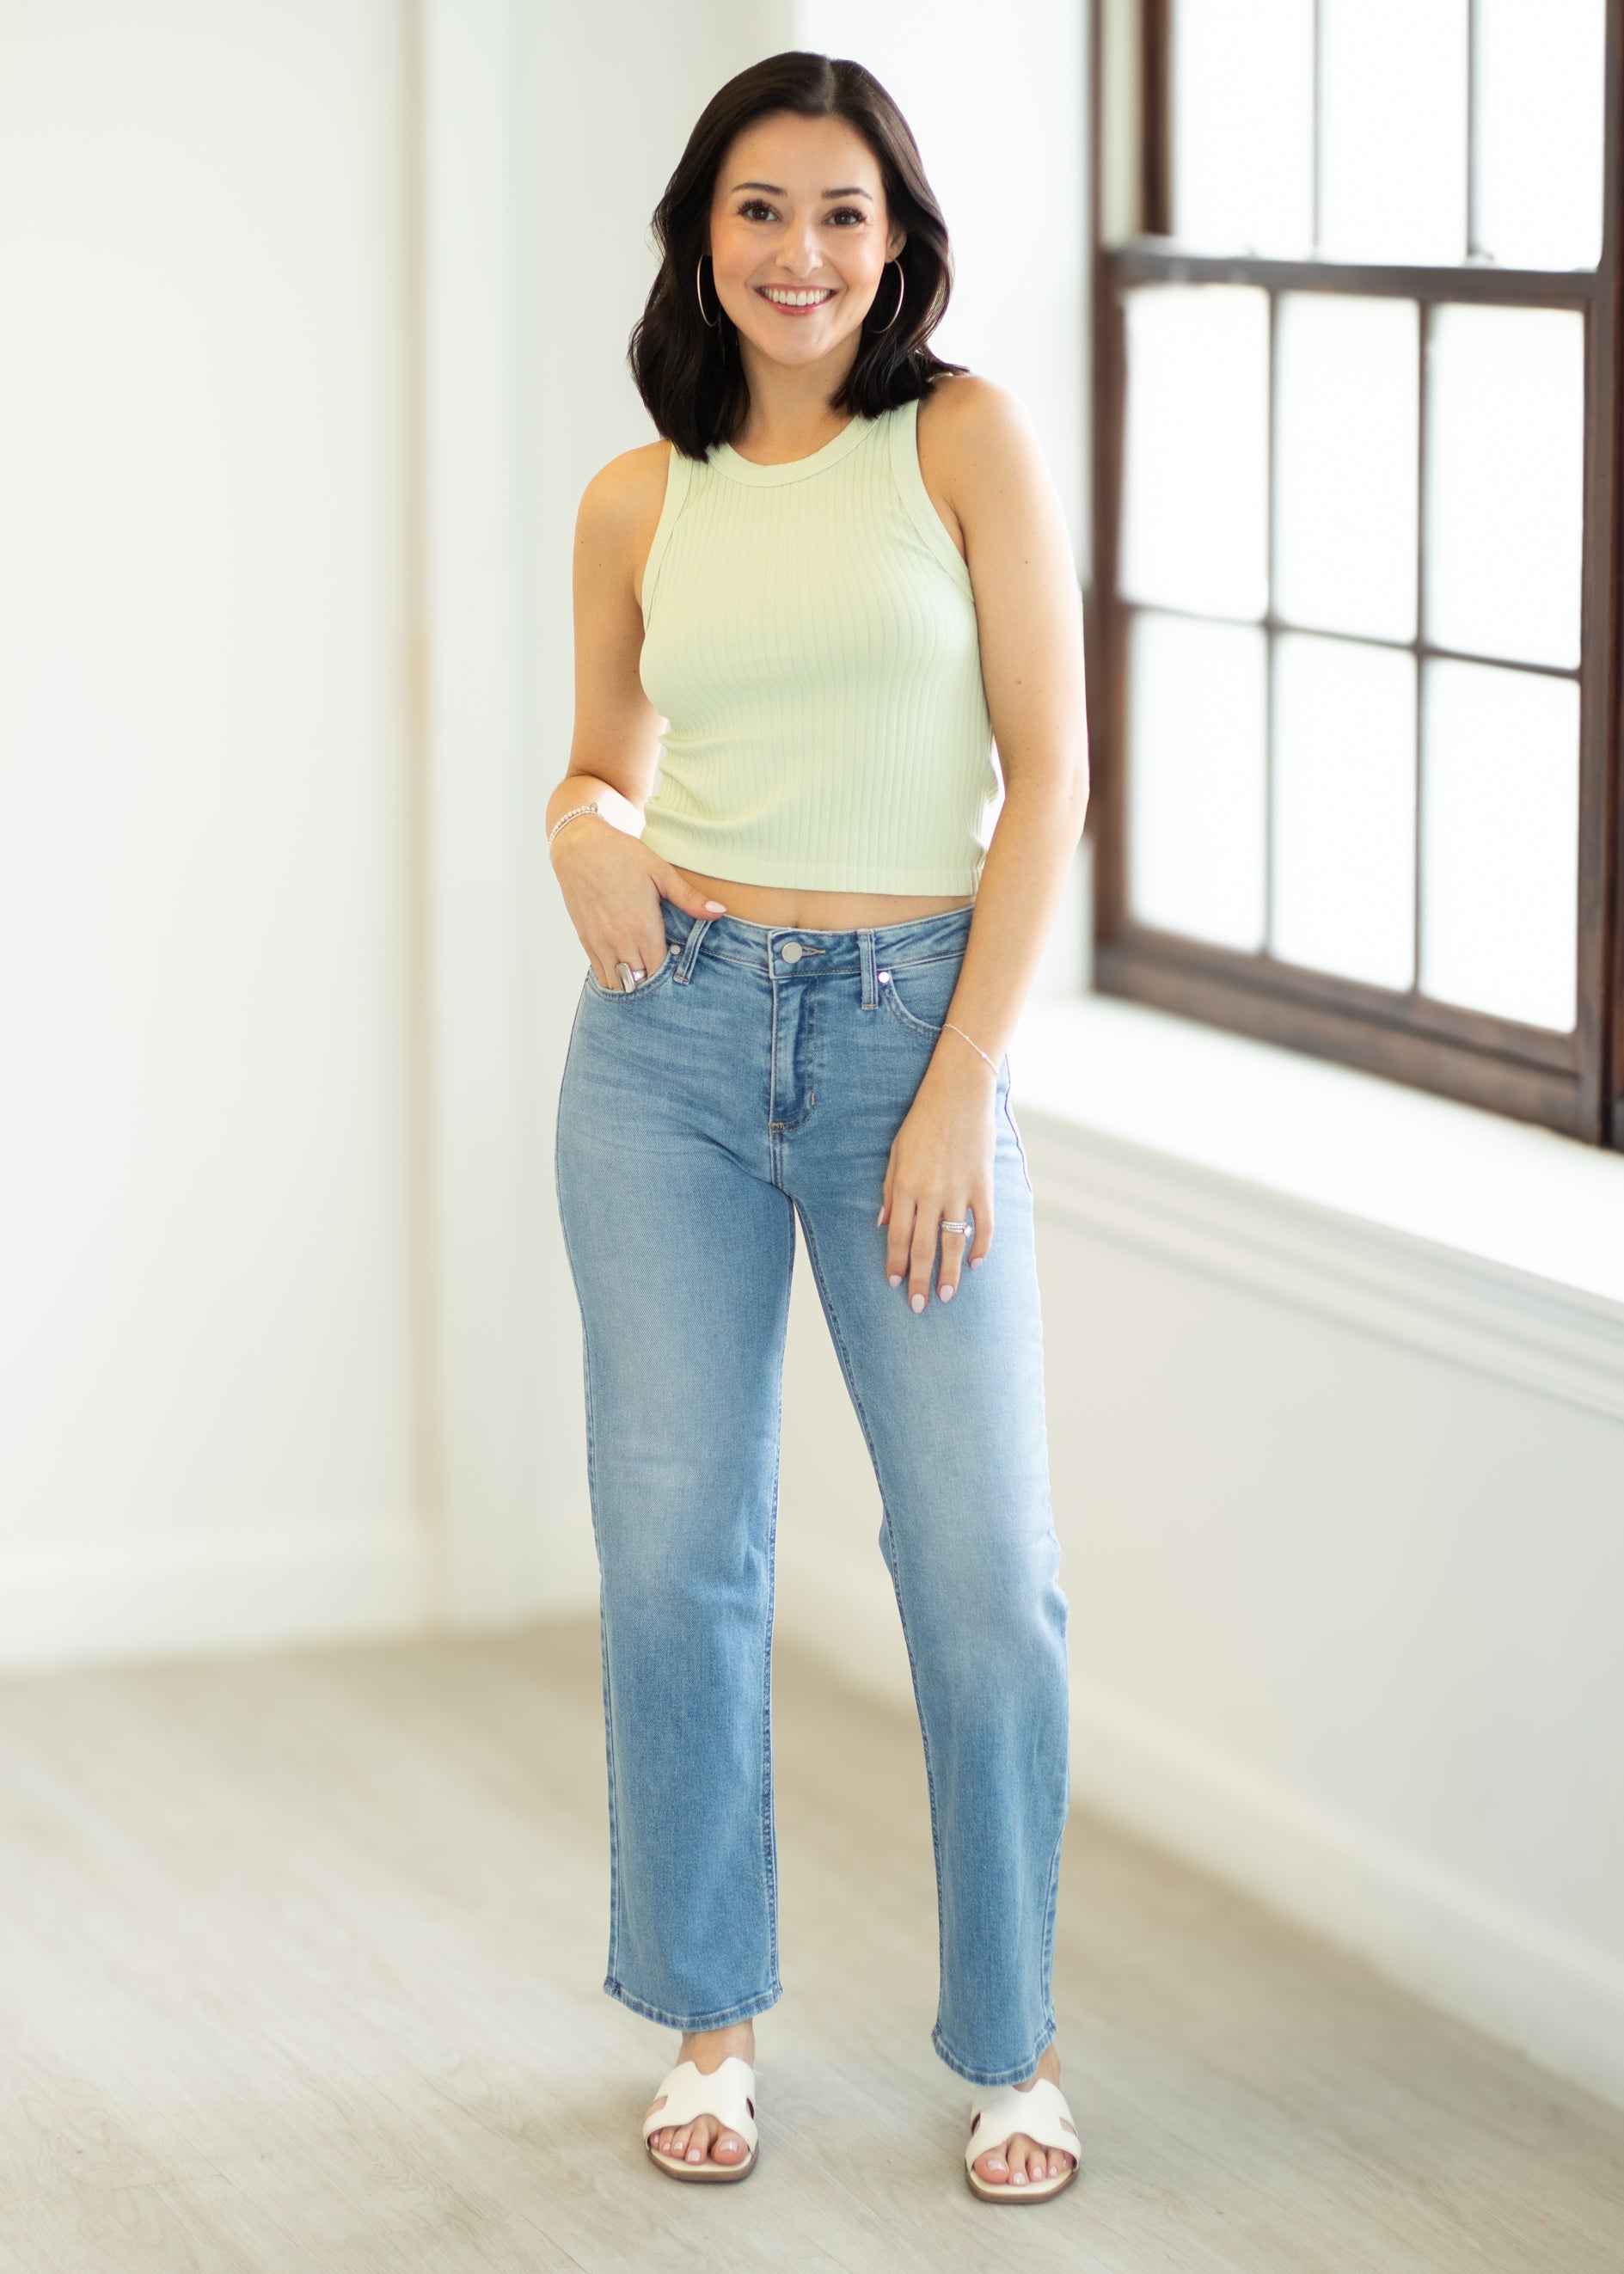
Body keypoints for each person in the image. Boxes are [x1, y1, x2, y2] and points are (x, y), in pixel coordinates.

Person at [549, 50, 1088, 2204]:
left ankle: (1014, 2048)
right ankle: (709, 2024)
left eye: (843, 212)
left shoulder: (960, 441)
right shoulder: (636, 492)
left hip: (904, 1037)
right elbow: (602, 768)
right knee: (681, 1561)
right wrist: (573, 827)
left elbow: (1050, 776)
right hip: (662, 1046)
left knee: (985, 1574)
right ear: (704, 229)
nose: (802, 255)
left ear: (899, 234)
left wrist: (960, 1078)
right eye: (762, 210)